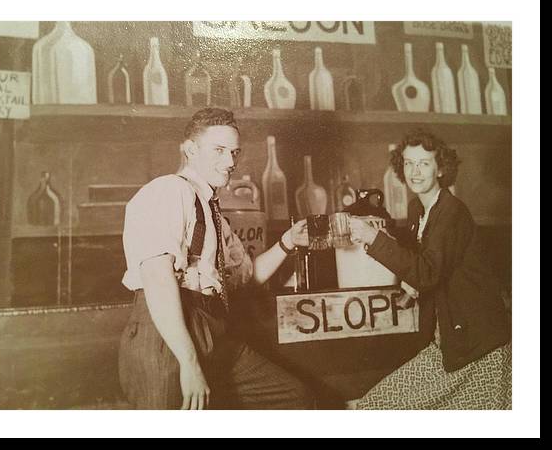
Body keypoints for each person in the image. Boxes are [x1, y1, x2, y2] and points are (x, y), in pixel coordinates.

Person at [118, 107, 313, 410]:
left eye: (234, 152)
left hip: (210, 328)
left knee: (293, 396)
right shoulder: (168, 190)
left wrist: (288, 243)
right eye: (219, 150)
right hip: (167, 333)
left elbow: (245, 277)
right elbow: (157, 277)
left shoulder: (213, 213)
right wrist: (189, 361)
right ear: (190, 150)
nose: (230, 162)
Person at [347, 128, 511, 410]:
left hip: (480, 348)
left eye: (424, 163)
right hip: (450, 342)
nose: (415, 171)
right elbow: (430, 266)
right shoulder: (418, 210)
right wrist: (410, 287)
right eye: (409, 163)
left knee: (374, 407)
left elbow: (427, 272)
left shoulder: (452, 211)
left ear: (440, 169)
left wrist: (374, 238)